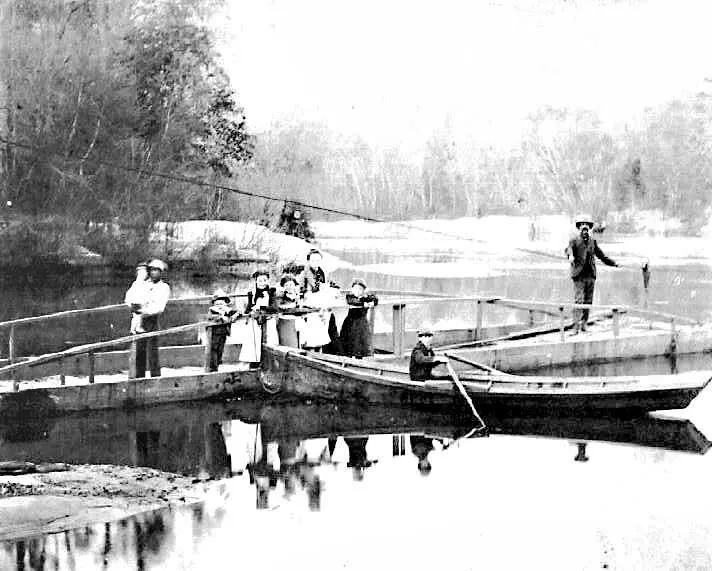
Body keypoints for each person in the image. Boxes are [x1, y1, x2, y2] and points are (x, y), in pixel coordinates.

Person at [565, 214, 620, 334]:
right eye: (582, 226)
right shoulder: (573, 241)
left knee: (588, 301)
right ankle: (575, 327)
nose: (584, 229)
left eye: (587, 227)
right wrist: (571, 256)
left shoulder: (592, 242)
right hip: (579, 276)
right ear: (579, 228)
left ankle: (584, 324)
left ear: (589, 229)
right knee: (578, 301)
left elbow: (602, 256)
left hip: (590, 276)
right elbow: (568, 249)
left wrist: (614, 263)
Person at [134, 259, 170, 378]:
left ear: (161, 272)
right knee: (140, 351)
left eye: (156, 270)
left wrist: (145, 311)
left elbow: (159, 307)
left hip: (152, 320)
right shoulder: (144, 285)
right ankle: (139, 377)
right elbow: (135, 298)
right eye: (151, 270)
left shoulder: (164, 287)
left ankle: (155, 377)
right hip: (141, 320)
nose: (153, 273)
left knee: (152, 352)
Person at [339, 279, 378, 358]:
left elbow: (375, 299)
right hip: (351, 322)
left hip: (361, 323)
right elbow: (353, 302)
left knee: (360, 341)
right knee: (349, 340)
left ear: (363, 290)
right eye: (355, 288)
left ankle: (359, 358)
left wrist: (371, 301)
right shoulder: (350, 297)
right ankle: (348, 357)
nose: (357, 291)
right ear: (352, 289)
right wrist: (364, 304)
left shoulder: (365, 297)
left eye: (360, 289)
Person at [206, 289, 236, 372]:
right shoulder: (212, 310)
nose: (219, 305)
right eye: (217, 303)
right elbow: (210, 317)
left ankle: (218, 362)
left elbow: (235, 313)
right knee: (214, 349)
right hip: (215, 332)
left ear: (225, 303)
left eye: (222, 303)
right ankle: (213, 366)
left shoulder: (227, 310)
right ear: (214, 303)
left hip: (224, 332)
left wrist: (234, 316)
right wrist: (221, 317)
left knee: (220, 349)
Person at [124, 261, 150, 334]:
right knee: (136, 316)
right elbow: (134, 293)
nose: (145, 274)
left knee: (139, 315)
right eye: (143, 273)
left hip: (139, 301)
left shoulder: (141, 283)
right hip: (136, 301)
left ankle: (138, 327)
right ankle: (133, 329)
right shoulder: (138, 283)